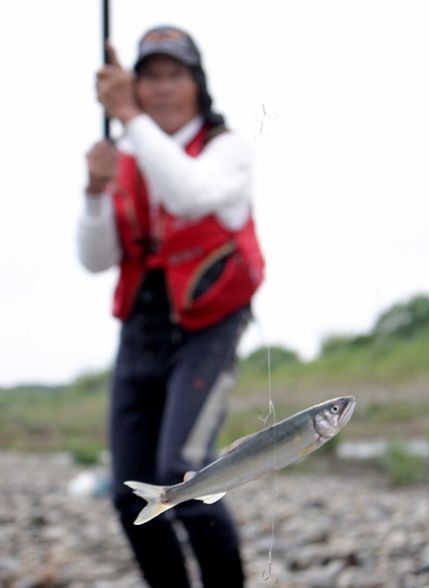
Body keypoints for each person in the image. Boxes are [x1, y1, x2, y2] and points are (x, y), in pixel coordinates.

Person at [77, 24, 265, 588]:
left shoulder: (226, 149)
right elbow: (95, 257)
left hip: (208, 328)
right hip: (141, 327)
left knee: (187, 481)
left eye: (174, 76)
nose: (161, 90)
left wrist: (128, 115)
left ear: (197, 85)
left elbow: (189, 193)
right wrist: (94, 190)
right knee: (130, 494)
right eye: (149, 78)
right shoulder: (126, 159)